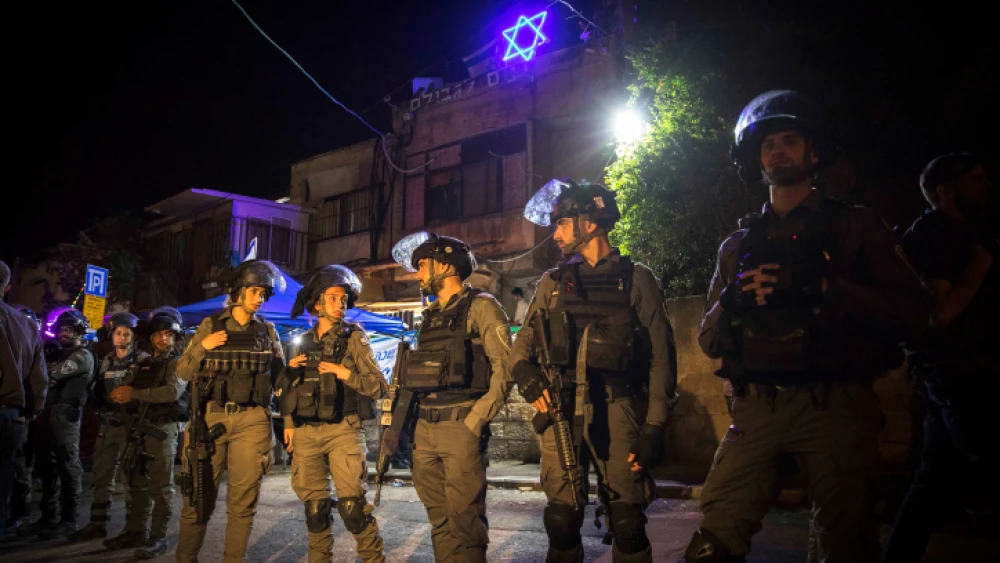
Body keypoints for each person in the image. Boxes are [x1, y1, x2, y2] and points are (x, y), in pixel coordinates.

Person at [682, 89, 930, 563]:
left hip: (835, 408)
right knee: (711, 546)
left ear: (814, 153)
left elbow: (915, 314)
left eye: (789, 140)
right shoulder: (737, 245)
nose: (777, 150)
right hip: (758, 409)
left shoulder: (855, 228)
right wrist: (733, 299)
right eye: (768, 144)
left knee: (846, 546)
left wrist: (830, 288)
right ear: (756, 160)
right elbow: (709, 341)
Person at [511, 180, 679, 562]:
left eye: (561, 224)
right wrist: (523, 373)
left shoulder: (637, 279)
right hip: (561, 409)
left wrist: (654, 427)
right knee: (561, 521)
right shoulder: (553, 283)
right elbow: (523, 344)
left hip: (617, 408)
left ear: (588, 222)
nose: (555, 235)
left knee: (628, 524)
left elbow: (662, 357)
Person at [882, 153, 998, 562]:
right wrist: (983, 261)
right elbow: (940, 312)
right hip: (965, 380)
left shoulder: (953, 232)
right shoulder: (937, 232)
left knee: (933, 483)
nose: (987, 186)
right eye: (977, 178)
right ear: (946, 190)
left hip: (955, 377)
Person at [390, 231, 512, 563]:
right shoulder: (430, 316)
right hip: (424, 431)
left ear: (444, 265)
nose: (417, 274)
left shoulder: (482, 307)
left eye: (422, 265)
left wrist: (476, 420)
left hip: (461, 426)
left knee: (466, 522)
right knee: (440, 522)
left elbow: (505, 368)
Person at [174, 259, 285, 563]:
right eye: (254, 291)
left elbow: (280, 379)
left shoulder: (267, 330)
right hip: (211, 419)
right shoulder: (211, 325)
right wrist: (203, 346)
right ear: (238, 291)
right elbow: (182, 372)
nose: (259, 299)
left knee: (243, 505)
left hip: (253, 421)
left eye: (263, 293)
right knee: (197, 498)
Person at [278, 264, 388, 562]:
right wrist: (288, 423)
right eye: (333, 298)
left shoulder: (354, 337)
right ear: (317, 303)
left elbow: (379, 386)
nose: (340, 304)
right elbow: (291, 389)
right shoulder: (303, 341)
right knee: (315, 510)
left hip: (343, 429)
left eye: (344, 299)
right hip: (305, 432)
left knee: (352, 508)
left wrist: (345, 373)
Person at [102, 307, 188, 558]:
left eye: (169, 335)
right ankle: (135, 531)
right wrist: (120, 394)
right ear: (151, 337)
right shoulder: (144, 363)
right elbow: (125, 387)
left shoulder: (178, 363)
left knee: (161, 487)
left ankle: (158, 537)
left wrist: (135, 394)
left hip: (162, 429)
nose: (164, 339)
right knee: (136, 483)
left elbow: (172, 392)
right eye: (159, 334)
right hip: (139, 428)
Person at [68, 311, 147, 542]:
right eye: (118, 333)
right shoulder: (106, 361)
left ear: (133, 336)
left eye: (126, 334)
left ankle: (134, 529)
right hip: (108, 424)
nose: (122, 337)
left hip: (131, 427)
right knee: (102, 475)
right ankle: (97, 524)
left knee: (131, 478)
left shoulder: (143, 361)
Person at [18, 308, 96, 540]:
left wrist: (42, 372)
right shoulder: (57, 352)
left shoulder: (82, 356)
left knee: (68, 467)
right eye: (61, 329)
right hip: (47, 415)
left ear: (79, 331)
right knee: (46, 467)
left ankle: (69, 519)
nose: (63, 333)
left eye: (69, 329)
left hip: (65, 417)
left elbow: (49, 376)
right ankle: (48, 516)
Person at [0, 261, 49, 538]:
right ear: (7, 288)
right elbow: (38, 379)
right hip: (11, 417)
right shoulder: (27, 326)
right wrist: (28, 414)